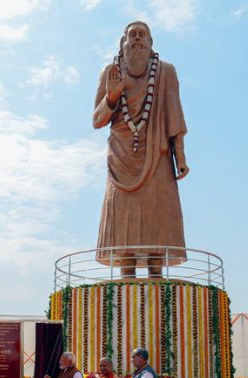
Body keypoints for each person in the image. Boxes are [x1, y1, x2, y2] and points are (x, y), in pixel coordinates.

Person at [93, 21, 189, 278]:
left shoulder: (166, 72)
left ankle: (156, 276)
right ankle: (127, 277)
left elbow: (175, 116)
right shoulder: (110, 72)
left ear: (150, 43)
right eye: (131, 35)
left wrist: (180, 155)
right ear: (122, 43)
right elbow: (97, 121)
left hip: (157, 154)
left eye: (142, 35)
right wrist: (112, 97)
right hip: (120, 158)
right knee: (124, 220)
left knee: (156, 217)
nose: (137, 39)